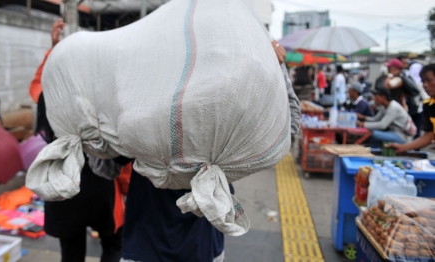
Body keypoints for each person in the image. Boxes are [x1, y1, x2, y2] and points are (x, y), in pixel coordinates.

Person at [117, 40, 300, 262]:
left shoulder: (138, 120)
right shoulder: (224, 124)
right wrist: (277, 68)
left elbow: (104, 166)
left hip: (144, 246)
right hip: (201, 246)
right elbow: (287, 130)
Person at [30, 19, 126, 262]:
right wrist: (126, 186)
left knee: (71, 251)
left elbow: (39, 86)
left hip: (65, 182)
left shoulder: (50, 98)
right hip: (101, 184)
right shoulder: (104, 96)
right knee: (113, 243)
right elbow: (121, 146)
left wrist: (54, 50)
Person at [388, 64, 435, 153]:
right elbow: (429, 135)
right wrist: (403, 147)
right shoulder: (429, 105)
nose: (425, 85)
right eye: (423, 81)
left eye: (429, 81)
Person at [400, 55, 425, 138]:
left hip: (412, 107)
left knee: (411, 129)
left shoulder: (406, 77)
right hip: (415, 108)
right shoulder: (405, 76)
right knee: (413, 129)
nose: (406, 64)